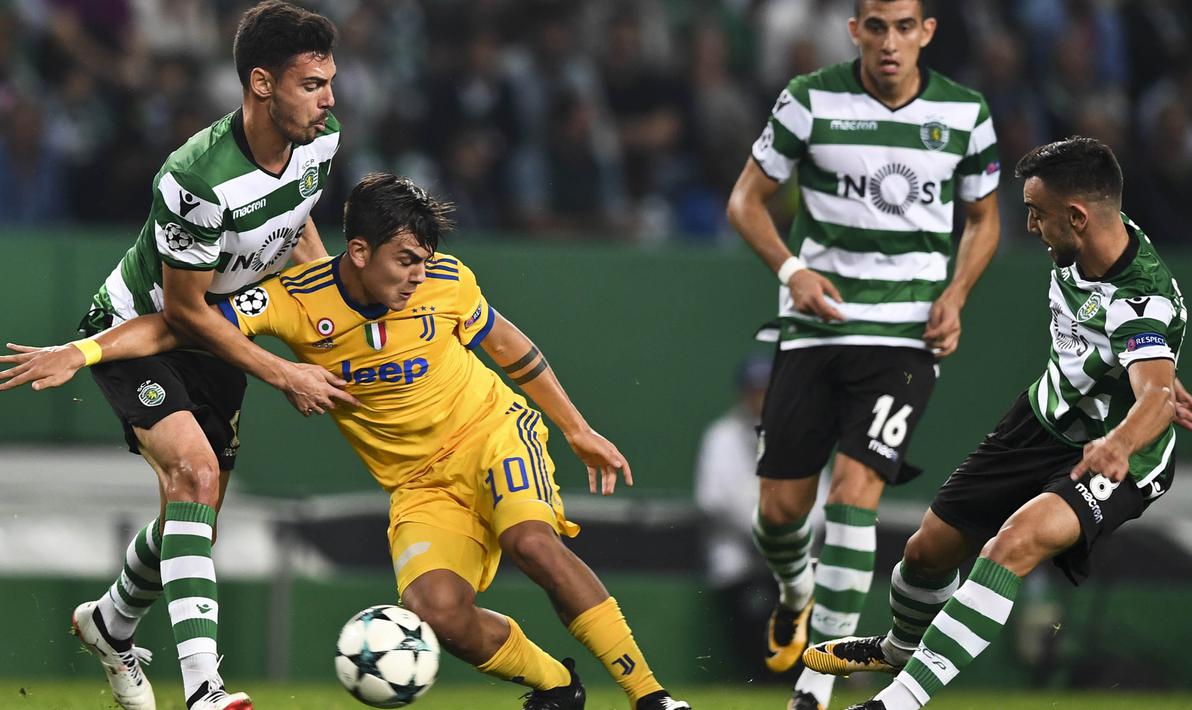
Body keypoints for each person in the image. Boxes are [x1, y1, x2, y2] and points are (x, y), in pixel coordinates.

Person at [1, 173, 691, 710]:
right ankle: (555, 686)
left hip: (493, 435)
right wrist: (85, 351)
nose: (417, 275)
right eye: (404, 261)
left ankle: (651, 694)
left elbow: (513, 349)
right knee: (435, 614)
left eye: (424, 260)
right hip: (418, 485)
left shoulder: (448, 283)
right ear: (357, 252)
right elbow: (184, 325)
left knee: (532, 543)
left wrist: (576, 428)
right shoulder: (298, 301)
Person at [801, 136, 1192, 710]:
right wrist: (1152, 374)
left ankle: (898, 700)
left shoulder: (1141, 297)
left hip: (1115, 457)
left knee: (1009, 547)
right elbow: (1144, 361)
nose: (1031, 225)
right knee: (925, 553)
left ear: (1076, 216)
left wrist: (1126, 432)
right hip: (1039, 421)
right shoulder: (1089, 242)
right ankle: (899, 648)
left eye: (1038, 213)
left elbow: (1156, 392)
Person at [48, 3, 354, 709]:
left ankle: (111, 622)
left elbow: (294, 219)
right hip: (142, 328)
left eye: (330, 81)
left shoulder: (322, 140)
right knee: (195, 471)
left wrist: (325, 315)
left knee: (193, 512)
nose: (330, 99)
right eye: (313, 84)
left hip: (219, 336)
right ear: (260, 84)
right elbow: (182, 311)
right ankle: (205, 692)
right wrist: (283, 371)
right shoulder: (196, 177)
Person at [724, 1, 1001, 708]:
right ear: (854, 30)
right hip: (815, 328)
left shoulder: (964, 114)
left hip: (904, 338)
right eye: (875, 26)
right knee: (780, 513)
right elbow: (745, 202)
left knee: (854, 494)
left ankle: (814, 684)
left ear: (926, 32)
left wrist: (957, 294)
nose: (888, 42)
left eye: (903, 27)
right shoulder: (808, 100)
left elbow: (983, 218)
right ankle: (794, 590)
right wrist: (792, 271)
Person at [693, 355, 826, 681]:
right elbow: (711, 500)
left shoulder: (799, 434)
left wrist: (784, 536)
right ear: (743, 394)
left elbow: (822, 506)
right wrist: (764, 533)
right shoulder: (721, 436)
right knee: (755, 638)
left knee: (810, 614)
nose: (761, 398)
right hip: (741, 562)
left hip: (795, 558)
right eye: (755, 390)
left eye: (768, 390)